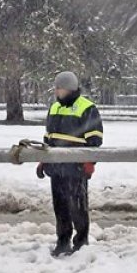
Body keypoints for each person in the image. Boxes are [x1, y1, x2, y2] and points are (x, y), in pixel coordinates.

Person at [37, 71, 104, 257]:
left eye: (59, 88)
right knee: (60, 207)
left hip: (76, 167)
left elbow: (95, 140)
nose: (56, 92)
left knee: (77, 207)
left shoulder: (87, 108)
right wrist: (44, 160)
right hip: (57, 167)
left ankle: (81, 243)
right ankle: (63, 241)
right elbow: (49, 138)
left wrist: (90, 161)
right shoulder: (55, 108)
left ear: (68, 88)